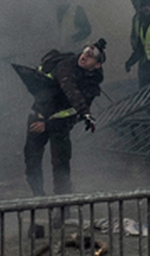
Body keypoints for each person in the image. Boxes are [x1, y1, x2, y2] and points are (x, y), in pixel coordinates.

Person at [17, 39, 106, 194]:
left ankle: (62, 204)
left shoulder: (92, 84)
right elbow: (69, 88)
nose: (84, 56)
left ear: (97, 65)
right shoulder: (65, 65)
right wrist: (84, 112)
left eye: (90, 55)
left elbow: (73, 114)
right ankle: (39, 197)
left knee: (61, 166)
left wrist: (51, 125)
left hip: (61, 126)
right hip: (38, 116)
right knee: (32, 160)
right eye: (85, 50)